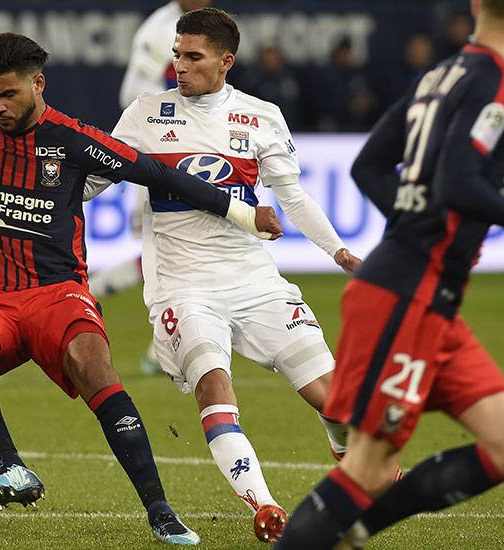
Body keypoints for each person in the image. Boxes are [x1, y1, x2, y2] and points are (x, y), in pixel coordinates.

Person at [0, 32, 282, 545]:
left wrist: (244, 213)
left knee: (95, 367)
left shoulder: (73, 140)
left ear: (37, 83)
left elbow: (157, 172)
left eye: (9, 94)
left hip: (58, 294)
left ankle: (160, 510)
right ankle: (11, 466)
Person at [85, 7, 362, 543]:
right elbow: (95, 182)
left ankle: (349, 456)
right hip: (182, 287)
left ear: (225, 61)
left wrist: (339, 251)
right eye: (176, 56)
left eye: (193, 57)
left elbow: (293, 198)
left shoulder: (261, 116)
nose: (180, 67)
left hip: (255, 280)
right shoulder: (145, 113)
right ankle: (263, 505)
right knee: (214, 385)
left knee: (335, 401)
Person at [276, 0, 504, 547]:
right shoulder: (498, 84)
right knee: (368, 465)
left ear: (477, 6)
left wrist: (414, 217)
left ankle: (353, 532)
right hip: (406, 293)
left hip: (429, 295)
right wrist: (427, 226)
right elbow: (460, 185)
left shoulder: (440, 73)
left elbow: (368, 165)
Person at [92, 0, 211, 376]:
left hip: (179, 148)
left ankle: (159, 350)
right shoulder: (161, 29)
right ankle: (88, 296)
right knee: (169, 250)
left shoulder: (194, 23)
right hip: (159, 152)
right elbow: (135, 95)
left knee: (172, 251)